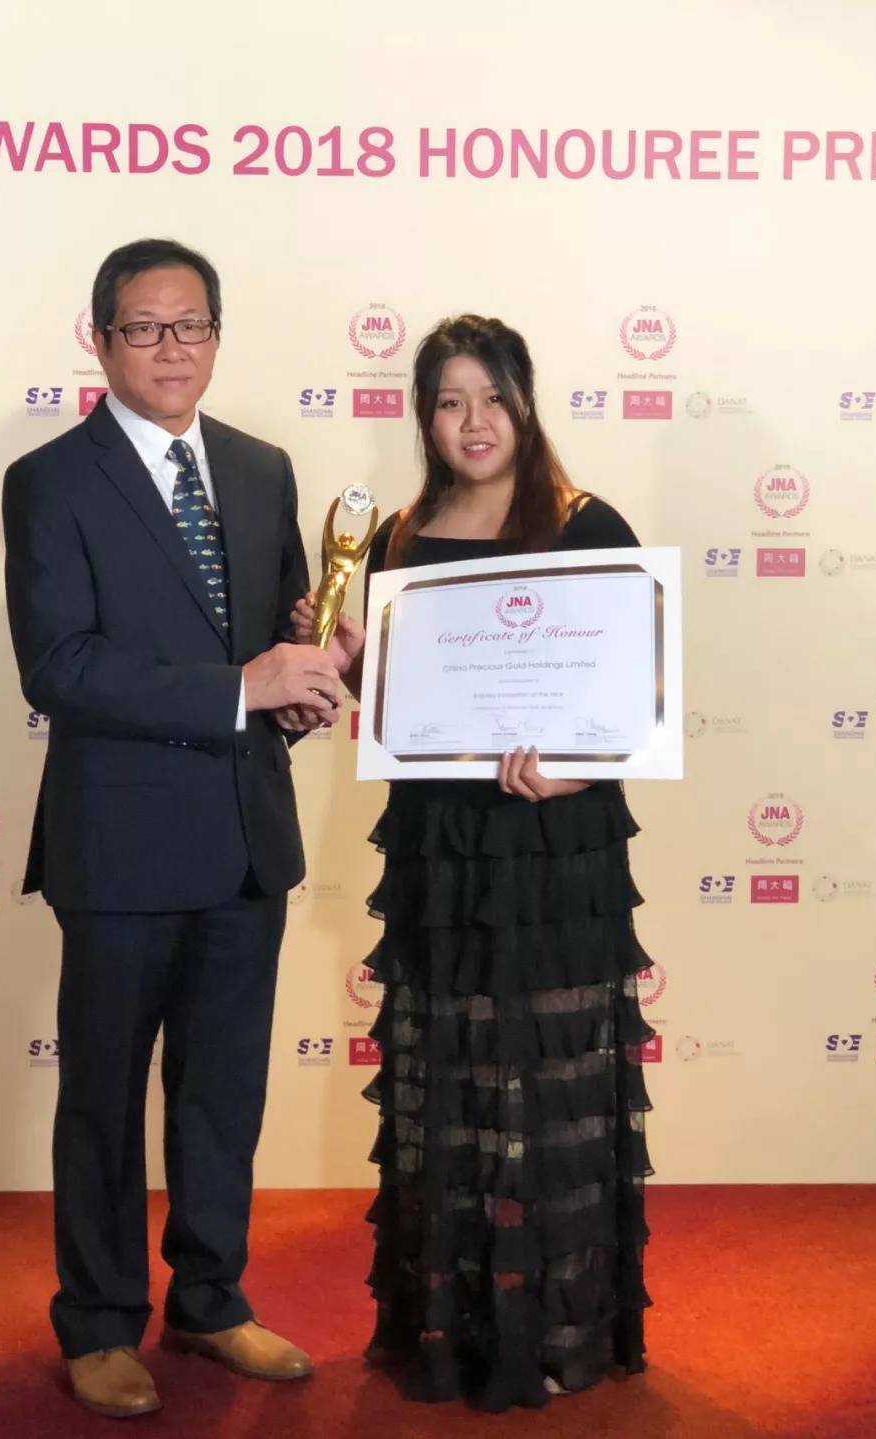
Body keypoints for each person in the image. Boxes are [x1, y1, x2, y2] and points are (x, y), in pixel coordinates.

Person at [3, 238, 342, 1419]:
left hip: (246, 835)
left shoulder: (261, 467)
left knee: (222, 1092)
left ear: (216, 335)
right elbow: (60, 664)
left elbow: (277, 644)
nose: (170, 347)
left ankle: (210, 1297)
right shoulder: (52, 479)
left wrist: (309, 676)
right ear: (98, 340)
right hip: (118, 845)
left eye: (190, 324)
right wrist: (243, 685)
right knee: (103, 1098)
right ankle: (99, 1320)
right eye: (143, 327)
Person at [292, 314, 656, 1411]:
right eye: (450, 402)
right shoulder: (399, 538)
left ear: (526, 402)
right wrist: (352, 657)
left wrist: (581, 772)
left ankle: (561, 1327)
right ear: (425, 418)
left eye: (493, 397)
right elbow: (406, 710)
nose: (474, 421)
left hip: (555, 844)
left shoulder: (587, 522)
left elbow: (637, 692)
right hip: (441, 843)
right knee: (447, 1084)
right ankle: (450, 1333)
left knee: (556, 1087)